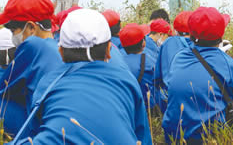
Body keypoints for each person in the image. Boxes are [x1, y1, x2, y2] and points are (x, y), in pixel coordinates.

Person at [13, 9, 152, 144]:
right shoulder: (127, 80)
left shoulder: (48, 83)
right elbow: (143, 136)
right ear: (109, 51)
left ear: (60, 52)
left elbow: (34, 130)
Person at [162, 7, 233, 144]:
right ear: (221, 35)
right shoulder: (229, 65)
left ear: (191, 35)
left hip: (175, 136)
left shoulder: (178, 58)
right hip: (209, 138)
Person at [0, 0, 63, 136]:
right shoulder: (54, 46)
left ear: (31, 27)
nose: (12, 36)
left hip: (39, 130)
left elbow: (4, 85)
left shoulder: (33, 46)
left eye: (13, 30)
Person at [154, 11, 194, 113]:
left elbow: (157, 77)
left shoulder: (167, 43)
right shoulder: (199, 45)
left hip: (169, 99)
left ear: (176, 30)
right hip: (194, 99)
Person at [119, 23, 157, 110]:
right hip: (147, 108)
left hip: (124, 107)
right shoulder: (150, 61)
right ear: (143, 43)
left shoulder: (117, 59)